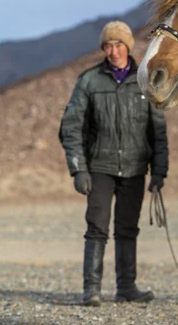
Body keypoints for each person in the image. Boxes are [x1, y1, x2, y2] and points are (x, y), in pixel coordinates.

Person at [59, 21, 169, 307]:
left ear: (128, 46)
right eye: (108, 45)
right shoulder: (89, 81)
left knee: (127, 228)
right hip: (100, 167)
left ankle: (126, 287)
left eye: (119, 44)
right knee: (96, 227)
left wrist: (159, 171)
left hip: (134, 168)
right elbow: (71, 127)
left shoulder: (144, 80)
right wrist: (78, 168)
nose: (113, 50)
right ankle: (91, 289)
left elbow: (157, 131)